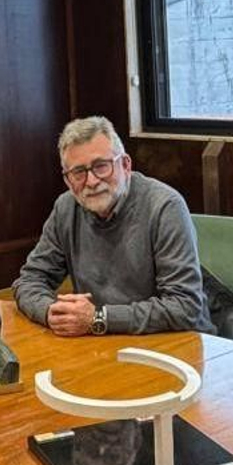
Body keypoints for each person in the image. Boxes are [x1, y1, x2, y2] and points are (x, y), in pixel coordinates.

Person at [14, 116, 212, 336]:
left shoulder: (164, 206)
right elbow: (30, 280)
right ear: (68, 181)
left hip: (175, 342)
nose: (91, 181)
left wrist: (99, 318)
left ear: (125, 165)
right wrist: (50, 312)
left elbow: (184, 307)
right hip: (103, 341)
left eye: (101, 166)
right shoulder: (66, 208)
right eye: (79, 173)